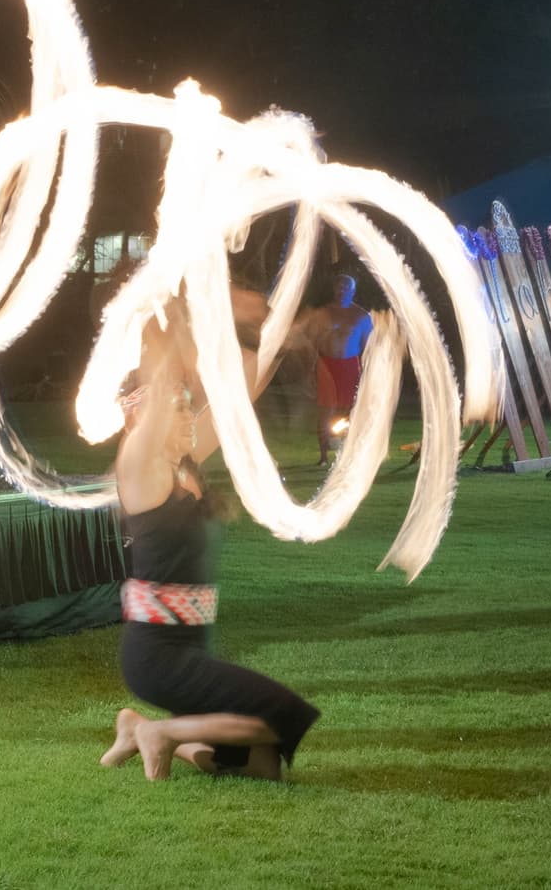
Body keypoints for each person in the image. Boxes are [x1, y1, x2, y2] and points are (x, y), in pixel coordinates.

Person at [99, 291, 323, 780]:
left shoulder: (186, 467)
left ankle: (140, 727)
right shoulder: (140, 470)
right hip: (157, 655)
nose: (189, 419)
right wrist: (173, 320)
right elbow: (161, 387)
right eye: (180, 413)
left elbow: (240, 389)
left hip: (192, 648)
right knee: (280, 715)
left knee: (262, 767)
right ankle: (164, 733)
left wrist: (280, 332)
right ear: (141, 420)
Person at [305, 274, 373, 465]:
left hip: (349, 367)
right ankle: (323, 456)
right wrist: (312, 368)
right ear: (335, 289)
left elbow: (367, 346)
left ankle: (349, 453)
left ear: (353, 291)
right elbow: (313, 341)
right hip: (327, 365)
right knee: (325, 411)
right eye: (339, 287)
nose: (342, 291)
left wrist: (368, 371)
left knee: (351, 411)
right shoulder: (323, 313)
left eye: (346, 288)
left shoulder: (362, 316)